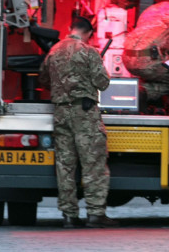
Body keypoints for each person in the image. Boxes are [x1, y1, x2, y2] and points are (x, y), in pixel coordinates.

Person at [39, 16, 119, 228]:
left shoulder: (54, 50)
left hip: (60, 112)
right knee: (93, 163)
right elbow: (103, 83)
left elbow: (43, 79)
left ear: (70, 28)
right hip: (84, 113)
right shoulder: (90, 51)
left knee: (65, 165)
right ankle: (95, 213)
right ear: (89, 33)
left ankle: (69, 215)